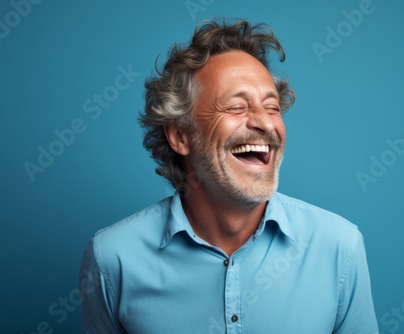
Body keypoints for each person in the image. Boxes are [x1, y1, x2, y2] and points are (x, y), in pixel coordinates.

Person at [79, 19, 379, 334]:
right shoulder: (112, 258)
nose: (265, 124)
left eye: (272, 108)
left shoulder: (339, 247)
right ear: (181, 136)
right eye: (236, 107)